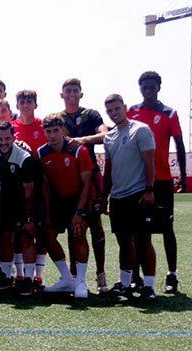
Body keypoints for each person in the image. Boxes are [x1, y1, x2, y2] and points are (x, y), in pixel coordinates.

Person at [127, 71, 185, 294]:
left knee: (167, 228)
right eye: (144, 87)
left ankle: (172, 275)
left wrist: (180, 173)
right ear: (140, 88)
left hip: (161, 180)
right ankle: (135, 275)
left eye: (152, 87)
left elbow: (179, 144)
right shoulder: (132, 112)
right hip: (138, 181)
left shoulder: (169, 113)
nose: (148, 91)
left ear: (159, 87)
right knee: (139, 230)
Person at [102, 94, 157, 301]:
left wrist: (149, 189)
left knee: (144, 241)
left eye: (117, 108)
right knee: (124, 242)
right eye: (110, 110)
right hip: (118, 197)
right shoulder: (110, 136)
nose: (114, 113)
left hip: (139, 195)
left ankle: (149, 286)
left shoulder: (140, 129)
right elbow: (109, 170)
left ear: (124, 107)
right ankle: (125, 285)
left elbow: (149, 162)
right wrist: (104, 196)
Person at [58, 78, 109, 292]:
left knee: (95, 224)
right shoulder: (58, 118)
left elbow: (106, 134)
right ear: (62, 95)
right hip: (70, 177)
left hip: (91, 175)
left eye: (75, 91)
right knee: (74, 226)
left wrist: (84, 140)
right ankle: (74, 275)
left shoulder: (91, 114)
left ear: (81, 94)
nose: (71, 94)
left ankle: (100, 273)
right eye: (67, 91)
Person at [37, 114, 93, 298]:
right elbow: (44, 184)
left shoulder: (78, 150)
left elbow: (86, 183)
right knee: (46, 235)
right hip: (57, 202)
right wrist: (46, 213)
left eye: (56, 130)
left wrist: (79, 211)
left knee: (78, 234)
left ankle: (81, 282)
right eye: (48, 131)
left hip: (78, 200)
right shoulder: (41, 153)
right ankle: (68, 279)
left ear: (63, 130)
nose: (52, 135)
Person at [0, 121, 38, 296]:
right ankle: (6, 277)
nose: (3, 142)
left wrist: (27, 216)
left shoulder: (24, 158)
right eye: (0, 138)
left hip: (25, 200)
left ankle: (29, 280)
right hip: (5, 198)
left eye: (7, 138)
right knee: (4, 237)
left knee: (26, 236)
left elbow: (29, 190)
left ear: (14, 138)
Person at [12, 90, 48, 290]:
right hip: (18, 189)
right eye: (22, 102)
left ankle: (39, 276)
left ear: (35, 104)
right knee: (20, 232)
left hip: (41, 185)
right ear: (17, 105)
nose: (25, 105)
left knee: (41, 232)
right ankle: (21, 275)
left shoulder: (44, 126)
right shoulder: (11, 127)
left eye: (29, 101)